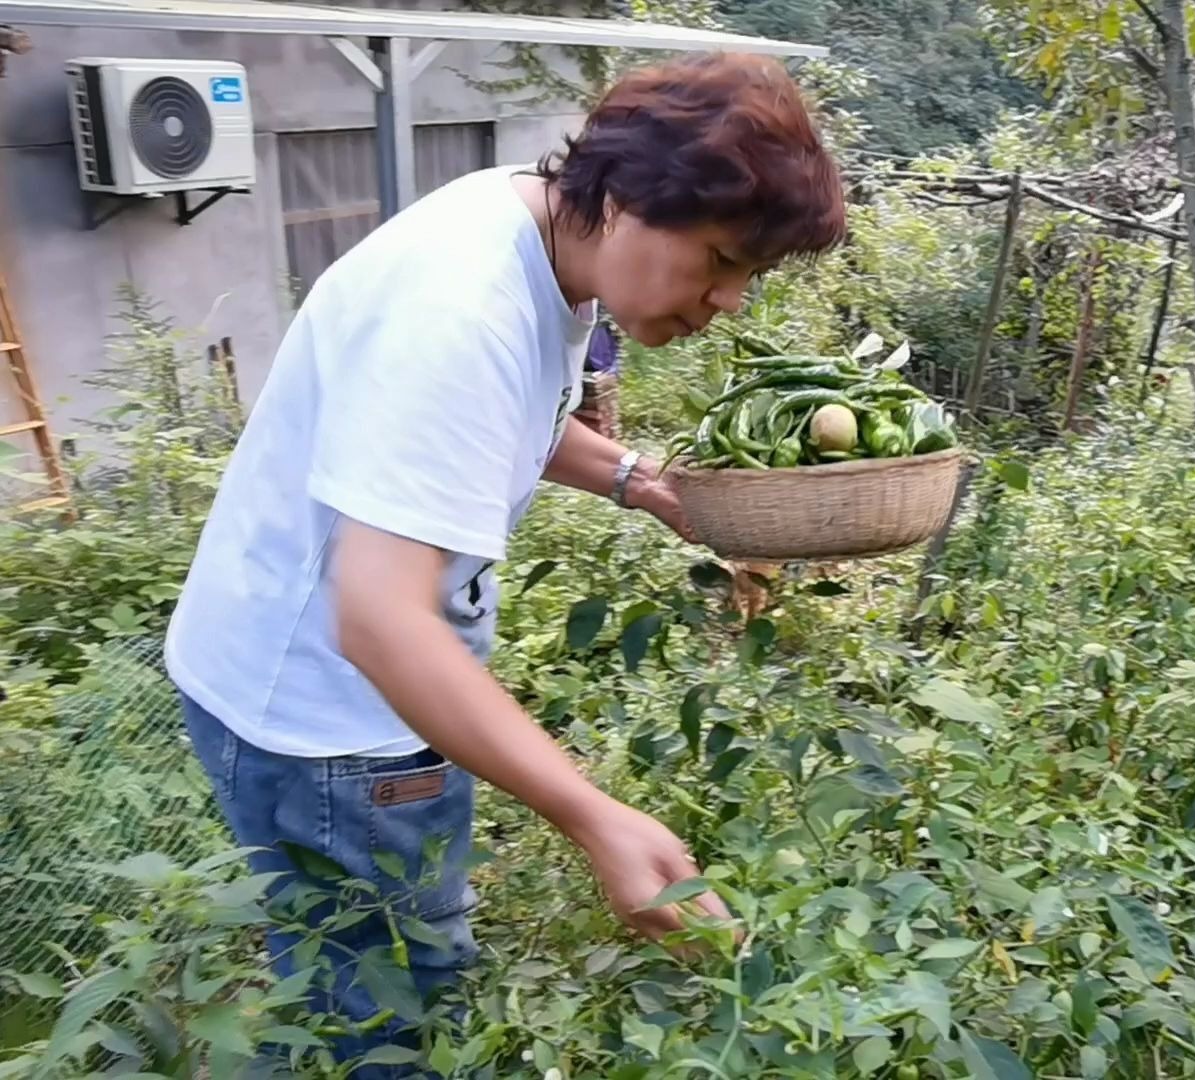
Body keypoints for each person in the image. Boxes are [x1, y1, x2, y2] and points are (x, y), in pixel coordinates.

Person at [163, 51, 845, 1072]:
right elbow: (382, 622)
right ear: (623, 201)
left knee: (350, 961)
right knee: (386, 1002)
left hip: (290, 677)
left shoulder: (529, 226)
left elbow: (490, 427)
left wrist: (638, 481)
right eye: (720, 260)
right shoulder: (460, 310)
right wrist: (594, 815)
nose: (731, 302)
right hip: (327, 724)